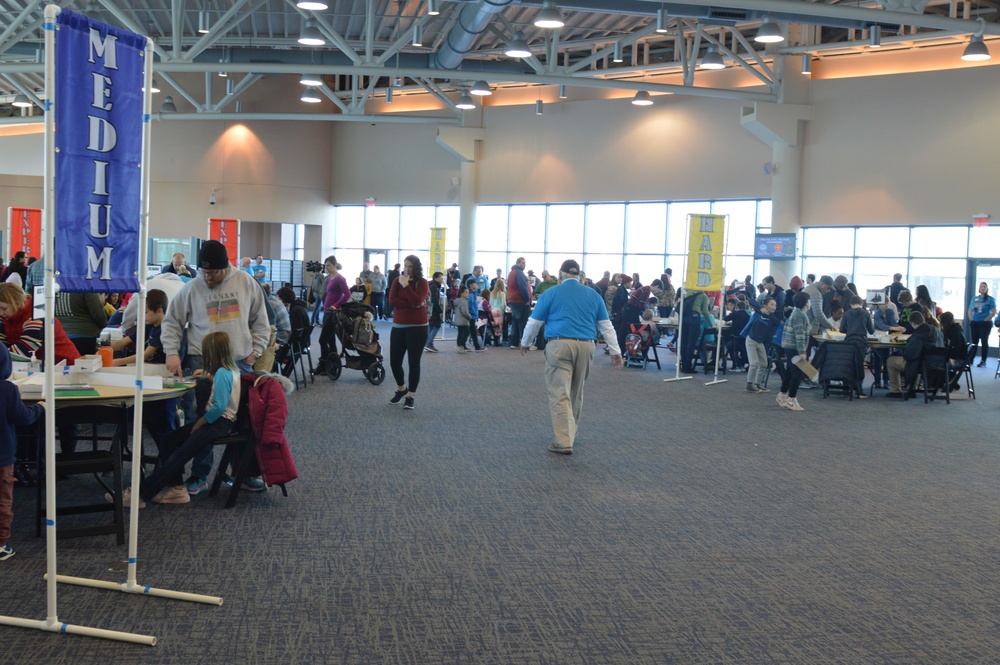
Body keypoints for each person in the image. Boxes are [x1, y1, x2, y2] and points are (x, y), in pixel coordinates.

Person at [160, 240, 269, 495]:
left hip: (239, 361)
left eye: (214, 273)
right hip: (202, 360)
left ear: (226, 268)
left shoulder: (245, 282)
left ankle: (241, 471)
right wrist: (172, 352)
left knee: (243, 420)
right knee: (202, 419)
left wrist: (255, 352)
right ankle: (199, 475)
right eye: (204, 272)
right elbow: (172, 322)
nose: (208, 278)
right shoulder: (192, 287)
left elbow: (261, 321)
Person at [116, 332, 241, 508]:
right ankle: (175, 488)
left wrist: (200, 423)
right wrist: (209, 376)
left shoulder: (222, 373)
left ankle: (141, 494)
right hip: (220, 422)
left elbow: (219, 407)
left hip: (217, 423)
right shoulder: (230, 370)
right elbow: (223, 390)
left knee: (180, 454)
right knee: (168, 441)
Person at [520, 259, 623, 455]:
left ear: (560, 275)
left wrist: (525, 342)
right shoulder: (594, 295)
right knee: (576, 392)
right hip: (586, 345)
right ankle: (571, 433)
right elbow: (606, 327)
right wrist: (616, 351)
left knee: (560, 392)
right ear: (579, 275)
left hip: (559, 344)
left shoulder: (550, 293)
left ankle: (563, 441)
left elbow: (534, 322)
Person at [0, 343, 45, 560]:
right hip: (3, 457)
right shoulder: (8, 390)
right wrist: (40, 407)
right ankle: (0, 544)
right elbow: (23, 418)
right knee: (3, 501)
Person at [387, 255, 429, 410]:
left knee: (413, 362)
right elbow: (392, 301)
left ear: (416, 267)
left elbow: (417, 301)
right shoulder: (396, 281)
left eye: (410, 266)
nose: (406, 269)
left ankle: (410, 395)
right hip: (398, 326)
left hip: (418, 328)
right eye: (405, 265)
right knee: (394, 362)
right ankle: (401, 388)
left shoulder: (422, 282)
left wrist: (406, 286)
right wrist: (413, 303)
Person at [885, 311, 942, 398]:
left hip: (921, 364)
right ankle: (912, 388)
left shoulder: (917, 335)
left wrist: (903, 350)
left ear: (912, 323)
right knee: (919, 359)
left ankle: (895, 390)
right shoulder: (938, 331)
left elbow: (909, 355)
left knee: (891, 360)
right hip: (939, 363)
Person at [776, 291, 811, 412]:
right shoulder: (800, 315)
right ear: (806, 303)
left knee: (790, 372)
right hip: (794, 347)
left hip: (789, 345)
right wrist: (802, 351)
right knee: (797, 373)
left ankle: (782, 395)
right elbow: (799, 334)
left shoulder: (796, 313)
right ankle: (792, 398)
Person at [316, 255, 351, 375]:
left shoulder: (340, 278)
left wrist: (336, 305)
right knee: (330, 341)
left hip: (333, 313)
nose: (327, 268)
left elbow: (347, 294)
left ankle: (324, 365)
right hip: (326, 312)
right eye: (326, 266)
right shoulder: (330, 278)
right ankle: (332, 365)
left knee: (322, 340)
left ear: (335, 265)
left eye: (329, 266)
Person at [53, 291, 108, 355]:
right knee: (84, 364)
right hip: (85, 335)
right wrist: (104, 325)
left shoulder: (54, 286)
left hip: (60, 337)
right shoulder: (85, 285)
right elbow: (99, 315)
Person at [744, 296, 780, 393]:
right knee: (754, 363)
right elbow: (751, 300)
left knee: (764, 364)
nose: (774, 307)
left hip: (760, 342)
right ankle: (749, 384)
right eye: (772, 304)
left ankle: (758, 384)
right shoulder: (759, 312)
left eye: (775, 305)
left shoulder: (772, 318)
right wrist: (761, 309)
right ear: (765, 305)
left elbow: (778, 323)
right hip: (751, 340)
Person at [507, 257, 533, 349]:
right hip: (520, 301)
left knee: (515, 322)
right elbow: (523, 288)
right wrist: (527, 300)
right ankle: (525, 343)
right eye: (523, 263)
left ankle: (514, 343)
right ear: (518, 263)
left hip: (512, 301)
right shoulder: (519, 273)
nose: (524, 265)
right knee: (523, 322)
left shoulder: (511, 273)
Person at [967, 282, 995, 367]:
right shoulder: (975, 298)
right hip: (975, 322)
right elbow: (970, 310)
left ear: (987, 289)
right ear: (979, 288)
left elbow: (994, 312)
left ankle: (983, 360)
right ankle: (970, 359)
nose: (982, 288)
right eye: (981, 287)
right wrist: (971, 319)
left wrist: (985, 320)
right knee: (974, 342)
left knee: (984, 341)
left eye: (984, 287)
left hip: (985, 323)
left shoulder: (990, 299)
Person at [425, 272, 445, 353]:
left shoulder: (432, 285)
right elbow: (434, 300)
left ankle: (427, 343)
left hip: (430, 309)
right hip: (433, 309)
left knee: (431, 326)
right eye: (441, 277)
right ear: (436, 278)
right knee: (436, 325)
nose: (442, 279)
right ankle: (429, 343)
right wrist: (439, 310)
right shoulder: (434, 286)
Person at [453, 284, 474, 353]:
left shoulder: (457, 300)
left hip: (458, 320)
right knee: (466, 333)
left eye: (468, 292)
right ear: (461, 293)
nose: (468, 294)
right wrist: (469, 316)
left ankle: (461, 345)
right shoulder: (464, 301)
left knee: (460, 333)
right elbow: (464, 312)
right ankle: (461, 346)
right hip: (463, 320)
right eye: (466, 292)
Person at [488, 278, 507, 347]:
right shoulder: (502, 294)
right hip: (499, 311)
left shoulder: (492, 293)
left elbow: (489, 303)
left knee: (492, 325)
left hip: (492, 311)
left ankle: (489, 338)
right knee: (499, 326)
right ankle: (497, 341)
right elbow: (503, 304)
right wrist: (505, 309)